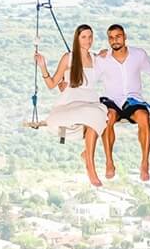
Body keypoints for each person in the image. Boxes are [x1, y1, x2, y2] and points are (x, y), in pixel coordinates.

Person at [93, 23, 150, 182]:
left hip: (133, 100)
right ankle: (109, 161)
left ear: (125, 37)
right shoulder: (102, 59)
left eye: (118, 36)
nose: (115, 40)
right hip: (112, 101)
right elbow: (89, 77)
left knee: (143, 116)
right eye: (111, 38)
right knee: (108, 117)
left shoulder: (138, 54)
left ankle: (144, 163)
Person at [34, 24, 109, 187]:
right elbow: (52, 84)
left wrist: (106, 54)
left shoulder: (96, 59)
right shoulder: (68, 57)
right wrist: (43, 67)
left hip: (90, 103)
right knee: (95, 115)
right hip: (70, 104)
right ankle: (89, 163)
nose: (88, 40)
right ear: (77, 38)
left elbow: (115, 62)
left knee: (98, 114)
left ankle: (88, 160)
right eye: (84, 37)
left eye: (90, 37)